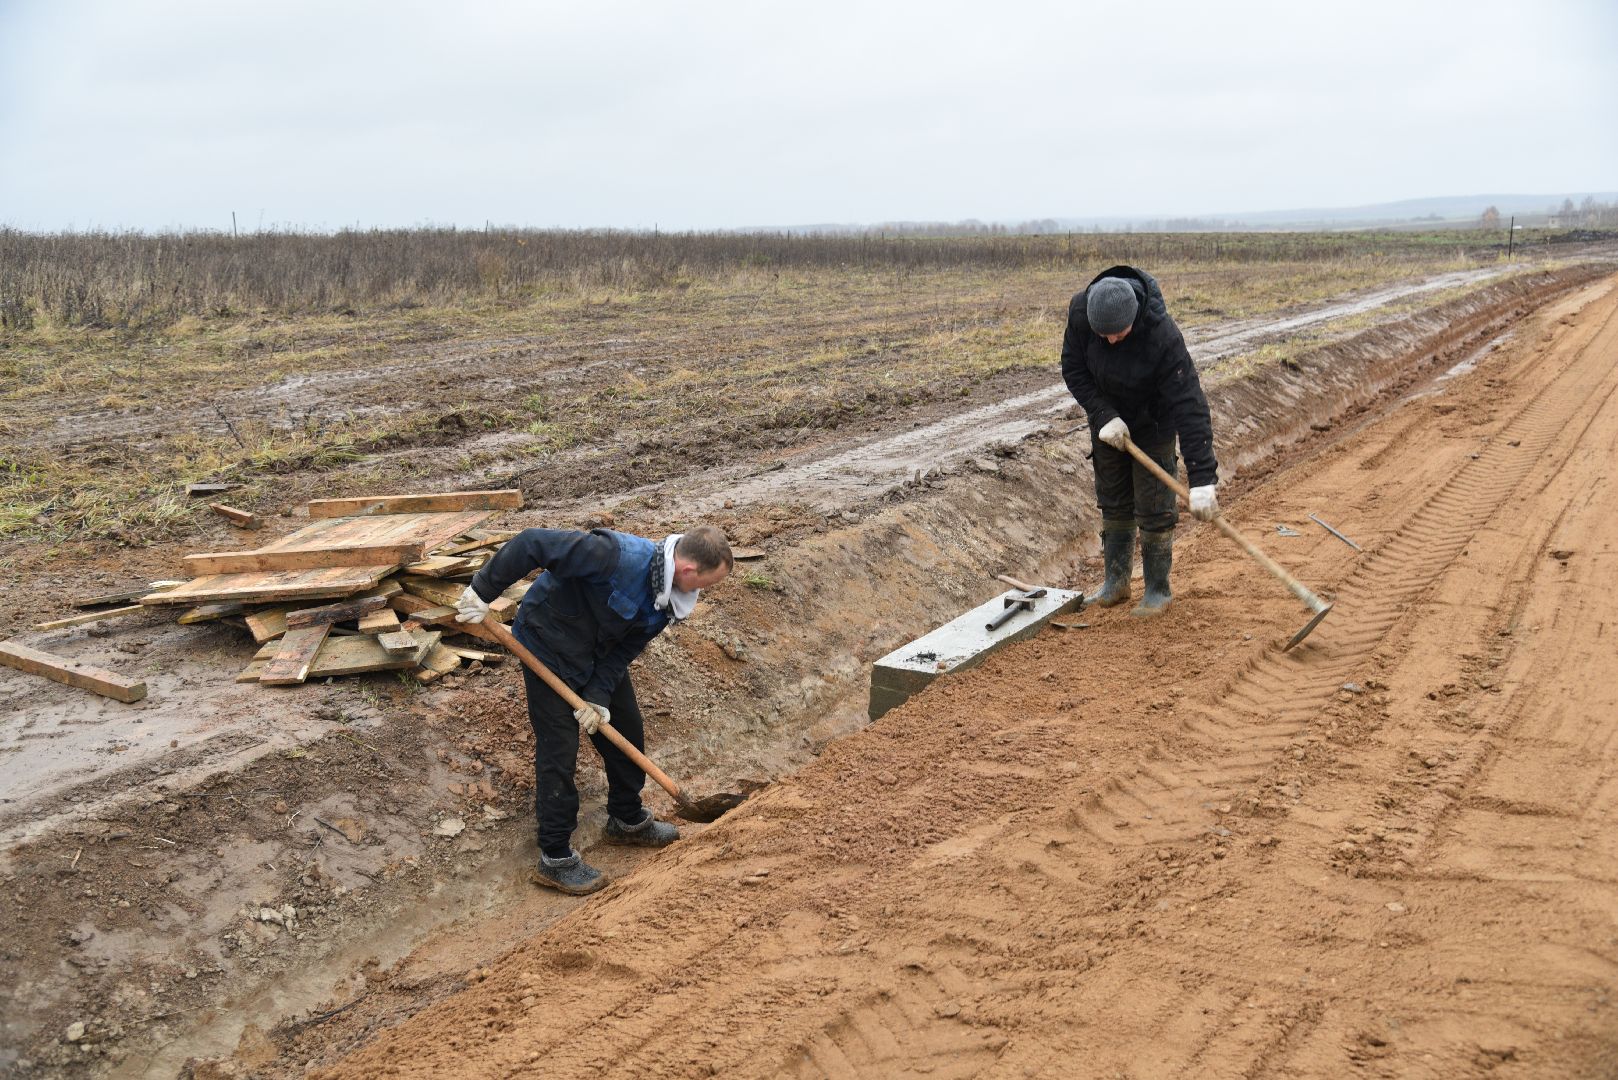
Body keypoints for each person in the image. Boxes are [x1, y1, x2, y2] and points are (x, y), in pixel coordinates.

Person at [454, 524, 733, 895]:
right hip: (547, 647)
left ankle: (626, 820)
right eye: (704, 584)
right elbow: (532, 543)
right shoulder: (613, 555)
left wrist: (599, 696)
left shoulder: (666, 599)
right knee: (559, 750)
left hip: (597, 656)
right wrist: (481, 590)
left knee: (626, 732)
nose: (701, 592)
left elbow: (624, 649)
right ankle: (555, 858)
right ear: (688, 571)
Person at [1060, 265, 1219, 617]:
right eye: (1103, 336)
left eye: (1118, 334)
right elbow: (1073, 369)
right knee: (1113, 498)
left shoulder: (1161, 336)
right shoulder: (1081, 314)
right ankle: (1115, 585)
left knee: (1155, 503)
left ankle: (1157, 590)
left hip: (1153, 421)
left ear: (1134, 317)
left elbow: (1190, 406)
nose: (1110, 341)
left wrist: (1203, 480)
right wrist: (1103, 414)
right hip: (1109, 422)